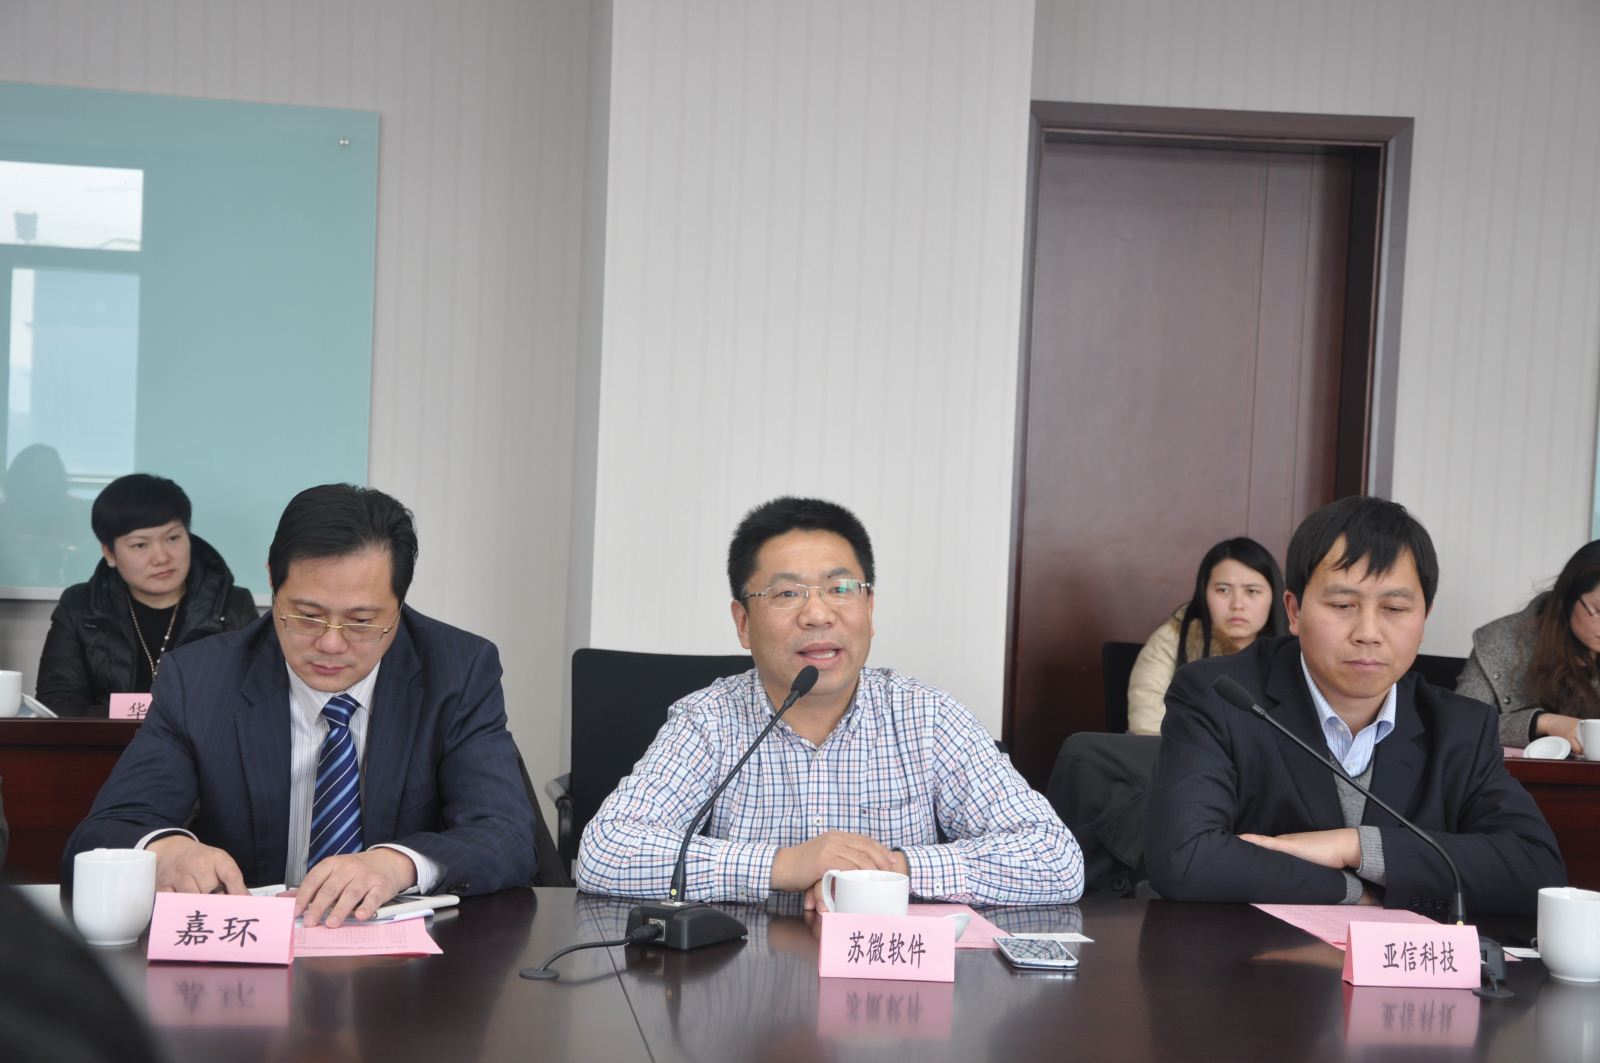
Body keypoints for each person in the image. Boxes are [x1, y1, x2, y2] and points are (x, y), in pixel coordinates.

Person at [63, 484, 537, 926]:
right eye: (307, 616)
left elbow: (507, 835)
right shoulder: (200, 680)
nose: (331, 644)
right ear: (273, 580)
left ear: (399, 600)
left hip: (410, 962)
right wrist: (166, 851)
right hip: (251, 954)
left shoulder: (456, 670)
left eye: (362, 621)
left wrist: (398, 864)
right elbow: (105, 831)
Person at [576, 496, 1083, 907]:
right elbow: (605, 852)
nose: (818, 614)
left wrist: (889, 872)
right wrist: (784, 866)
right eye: (787, 594)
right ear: (743, 623)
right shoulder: (708, 720)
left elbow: (1055, 858)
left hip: (891, 987)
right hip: (743, 984)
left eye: (841, 588)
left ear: (869, 607)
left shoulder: (927, 717)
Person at [1146, 496, 1563, 917]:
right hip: (1251, 954)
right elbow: (1185, 858)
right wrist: (1352, 890)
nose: (1368, 632)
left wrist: (1356, 846)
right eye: (1342, 605)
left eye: (1395, 608)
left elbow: (1536, 871)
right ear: (1294, 610)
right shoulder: (1222, 696)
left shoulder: (1460, 727)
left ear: (1424, 617)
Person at [36, 473, 258, 717]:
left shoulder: (233, 606)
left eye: (173, 538)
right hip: (108, 743)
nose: (161, 557)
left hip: (202, 744)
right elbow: (57, 705)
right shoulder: (79, 606)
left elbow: (254, 702)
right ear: (110, 553)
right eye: (140, 545)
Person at [1127, 537, 1288, 735]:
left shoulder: (1294, 648)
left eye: (1252, 591)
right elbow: (1146, 725)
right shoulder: (1171, 639)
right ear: (1204, 593)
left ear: (1274, 596)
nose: (1237, 604)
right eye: (1223, 590)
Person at [1456, 540, 1600, 752]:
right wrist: (1543, 722)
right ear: (1569, 595)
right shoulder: (1501, 641)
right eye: (1599, 610)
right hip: (1518, 772)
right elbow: (1460, 722)